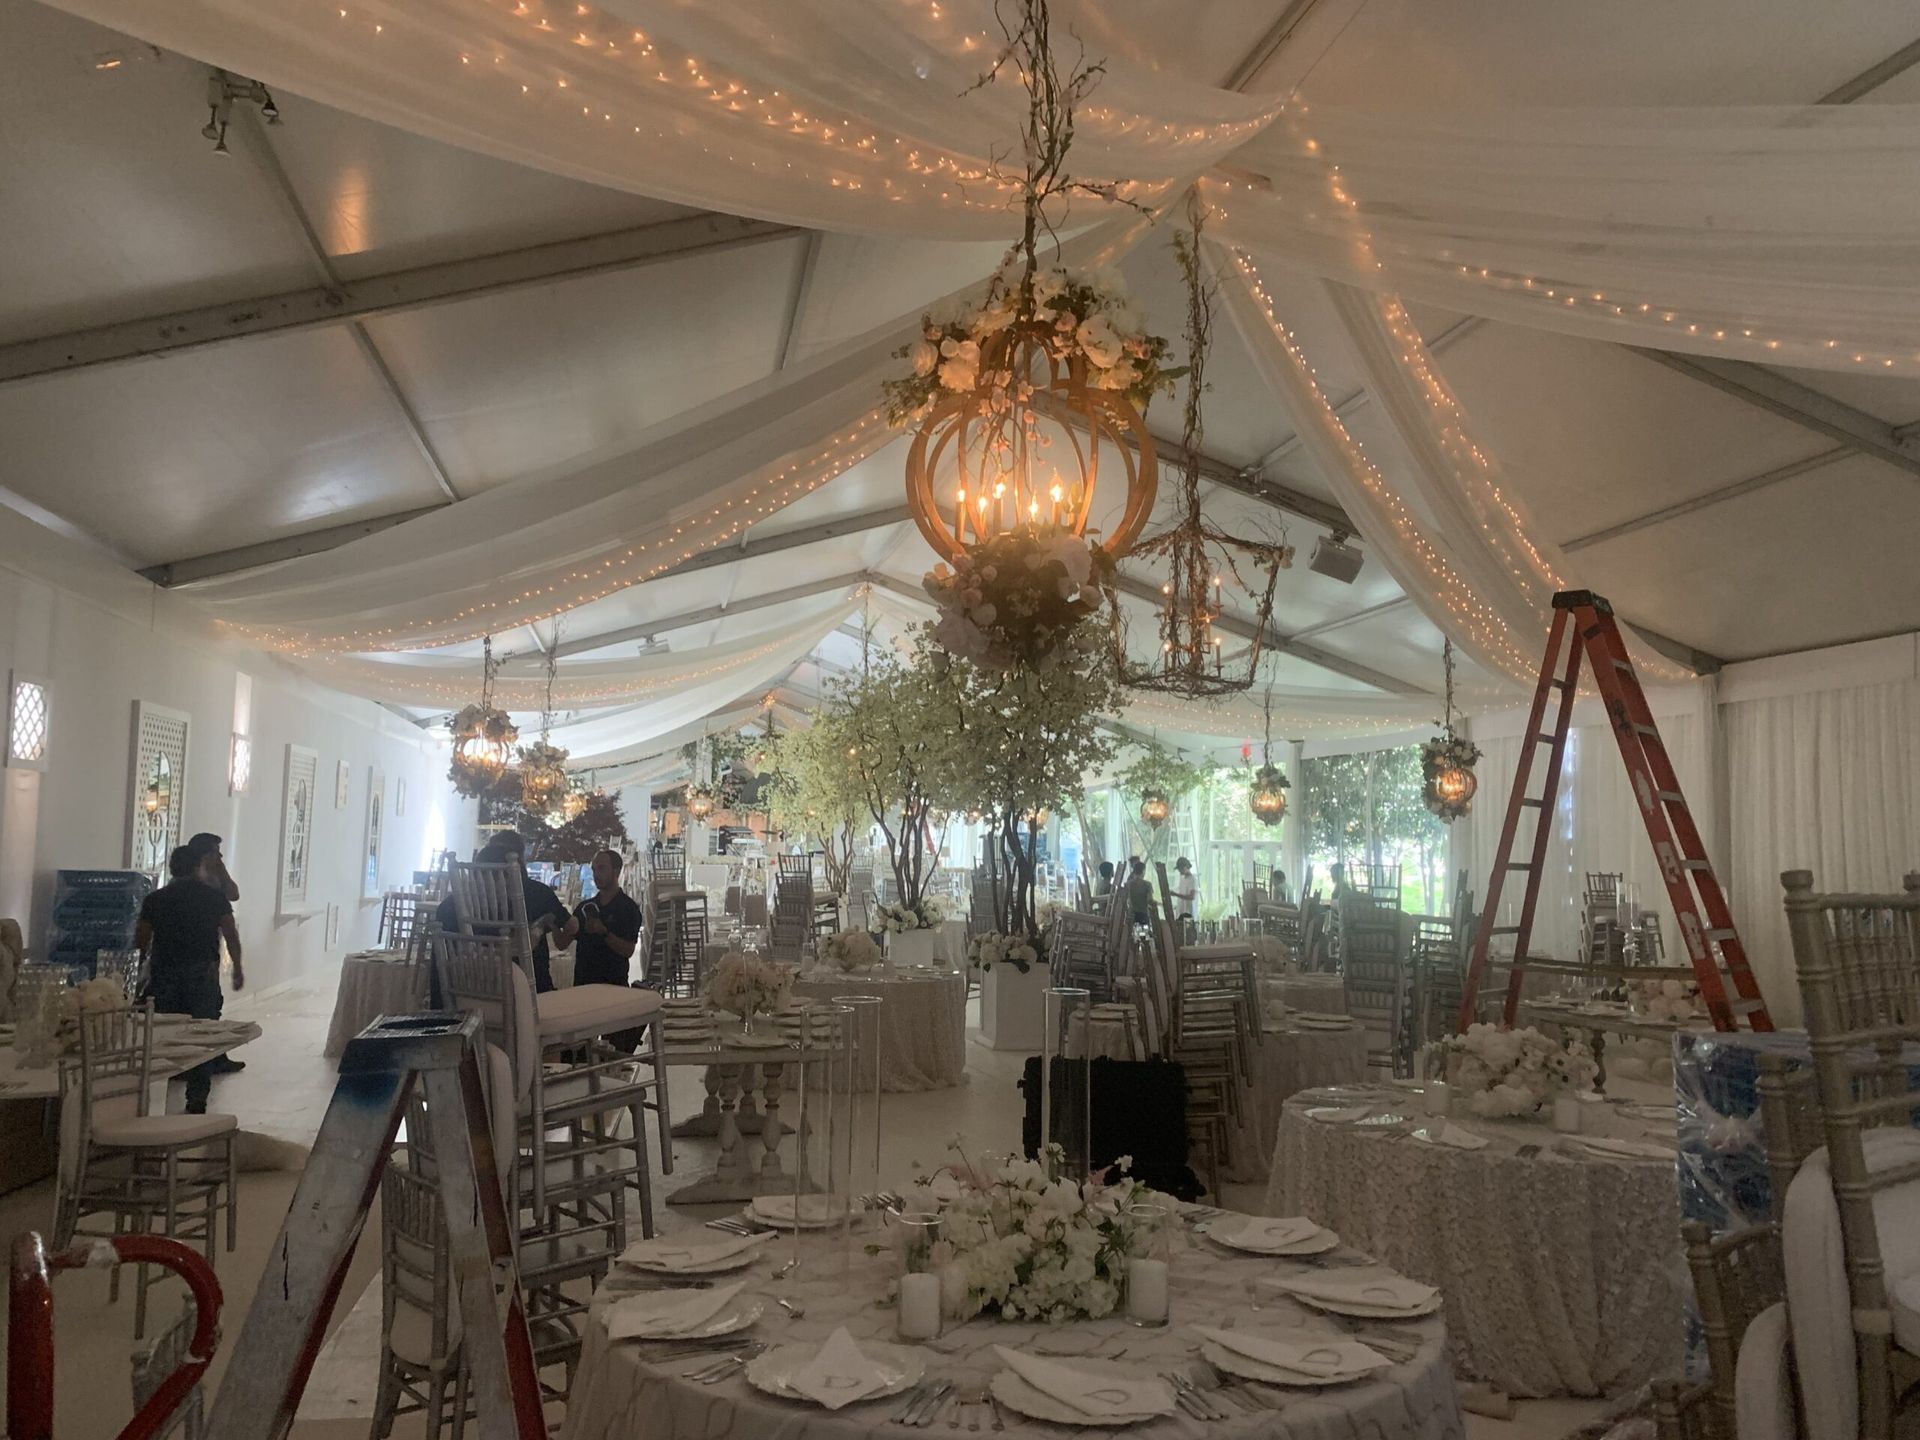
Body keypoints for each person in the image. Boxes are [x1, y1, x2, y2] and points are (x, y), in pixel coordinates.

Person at [135, 846, 244, 1113]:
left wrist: (138, 973)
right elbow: (230, 934)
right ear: (198, 867)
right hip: (201, 974)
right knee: (202, 1035)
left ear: (172, 869)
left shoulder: (155, 899)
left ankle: (155, 1095)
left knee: (164, 1033)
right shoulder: (213, 898)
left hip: (164, 974)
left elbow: (141, 941)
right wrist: (237, 967)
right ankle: (197, 1097)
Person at [434, 830, 570, 991]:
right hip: (527, 995)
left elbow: (440, 968)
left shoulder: (448, 906)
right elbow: (569, 930)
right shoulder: (535, 894)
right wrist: (537, 930)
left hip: (465, 996)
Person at [555, 848, 646, 1051]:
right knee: (578, 1050)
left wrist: (604, 932)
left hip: (612, 987)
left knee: (612, 1052)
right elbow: (561, 943)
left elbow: (628, 951)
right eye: (594, 869)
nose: (596, 874)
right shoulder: (584, 908)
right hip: (583, 986)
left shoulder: (627, 908)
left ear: (617, 871)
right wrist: (553, 922)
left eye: (602, 868)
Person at [184, 832, 239, 903]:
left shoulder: (216, 874)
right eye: (216, 852)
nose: (220, 855)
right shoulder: (188, 880)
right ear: (205, 856)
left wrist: (222, 870)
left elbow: (234, 895)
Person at [1171, 857, 1198, 935]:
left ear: (1185, 867)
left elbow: (1191, 897)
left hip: (1188, 913)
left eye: (1180, 869)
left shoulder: (1193, 880)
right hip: (1181, 912)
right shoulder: (1182, 880)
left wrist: (1176, 894)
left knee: (1188, 935)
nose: (1179, 871)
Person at [1124, 857, 1155, 927]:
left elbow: (1124, 901)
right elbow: (1150, 900)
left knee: (1131, 932)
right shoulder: (1147, 884)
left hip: (1131, 916)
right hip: (1143, 916)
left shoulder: (1127, 884)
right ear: (1143, 871)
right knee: (1144, 932)